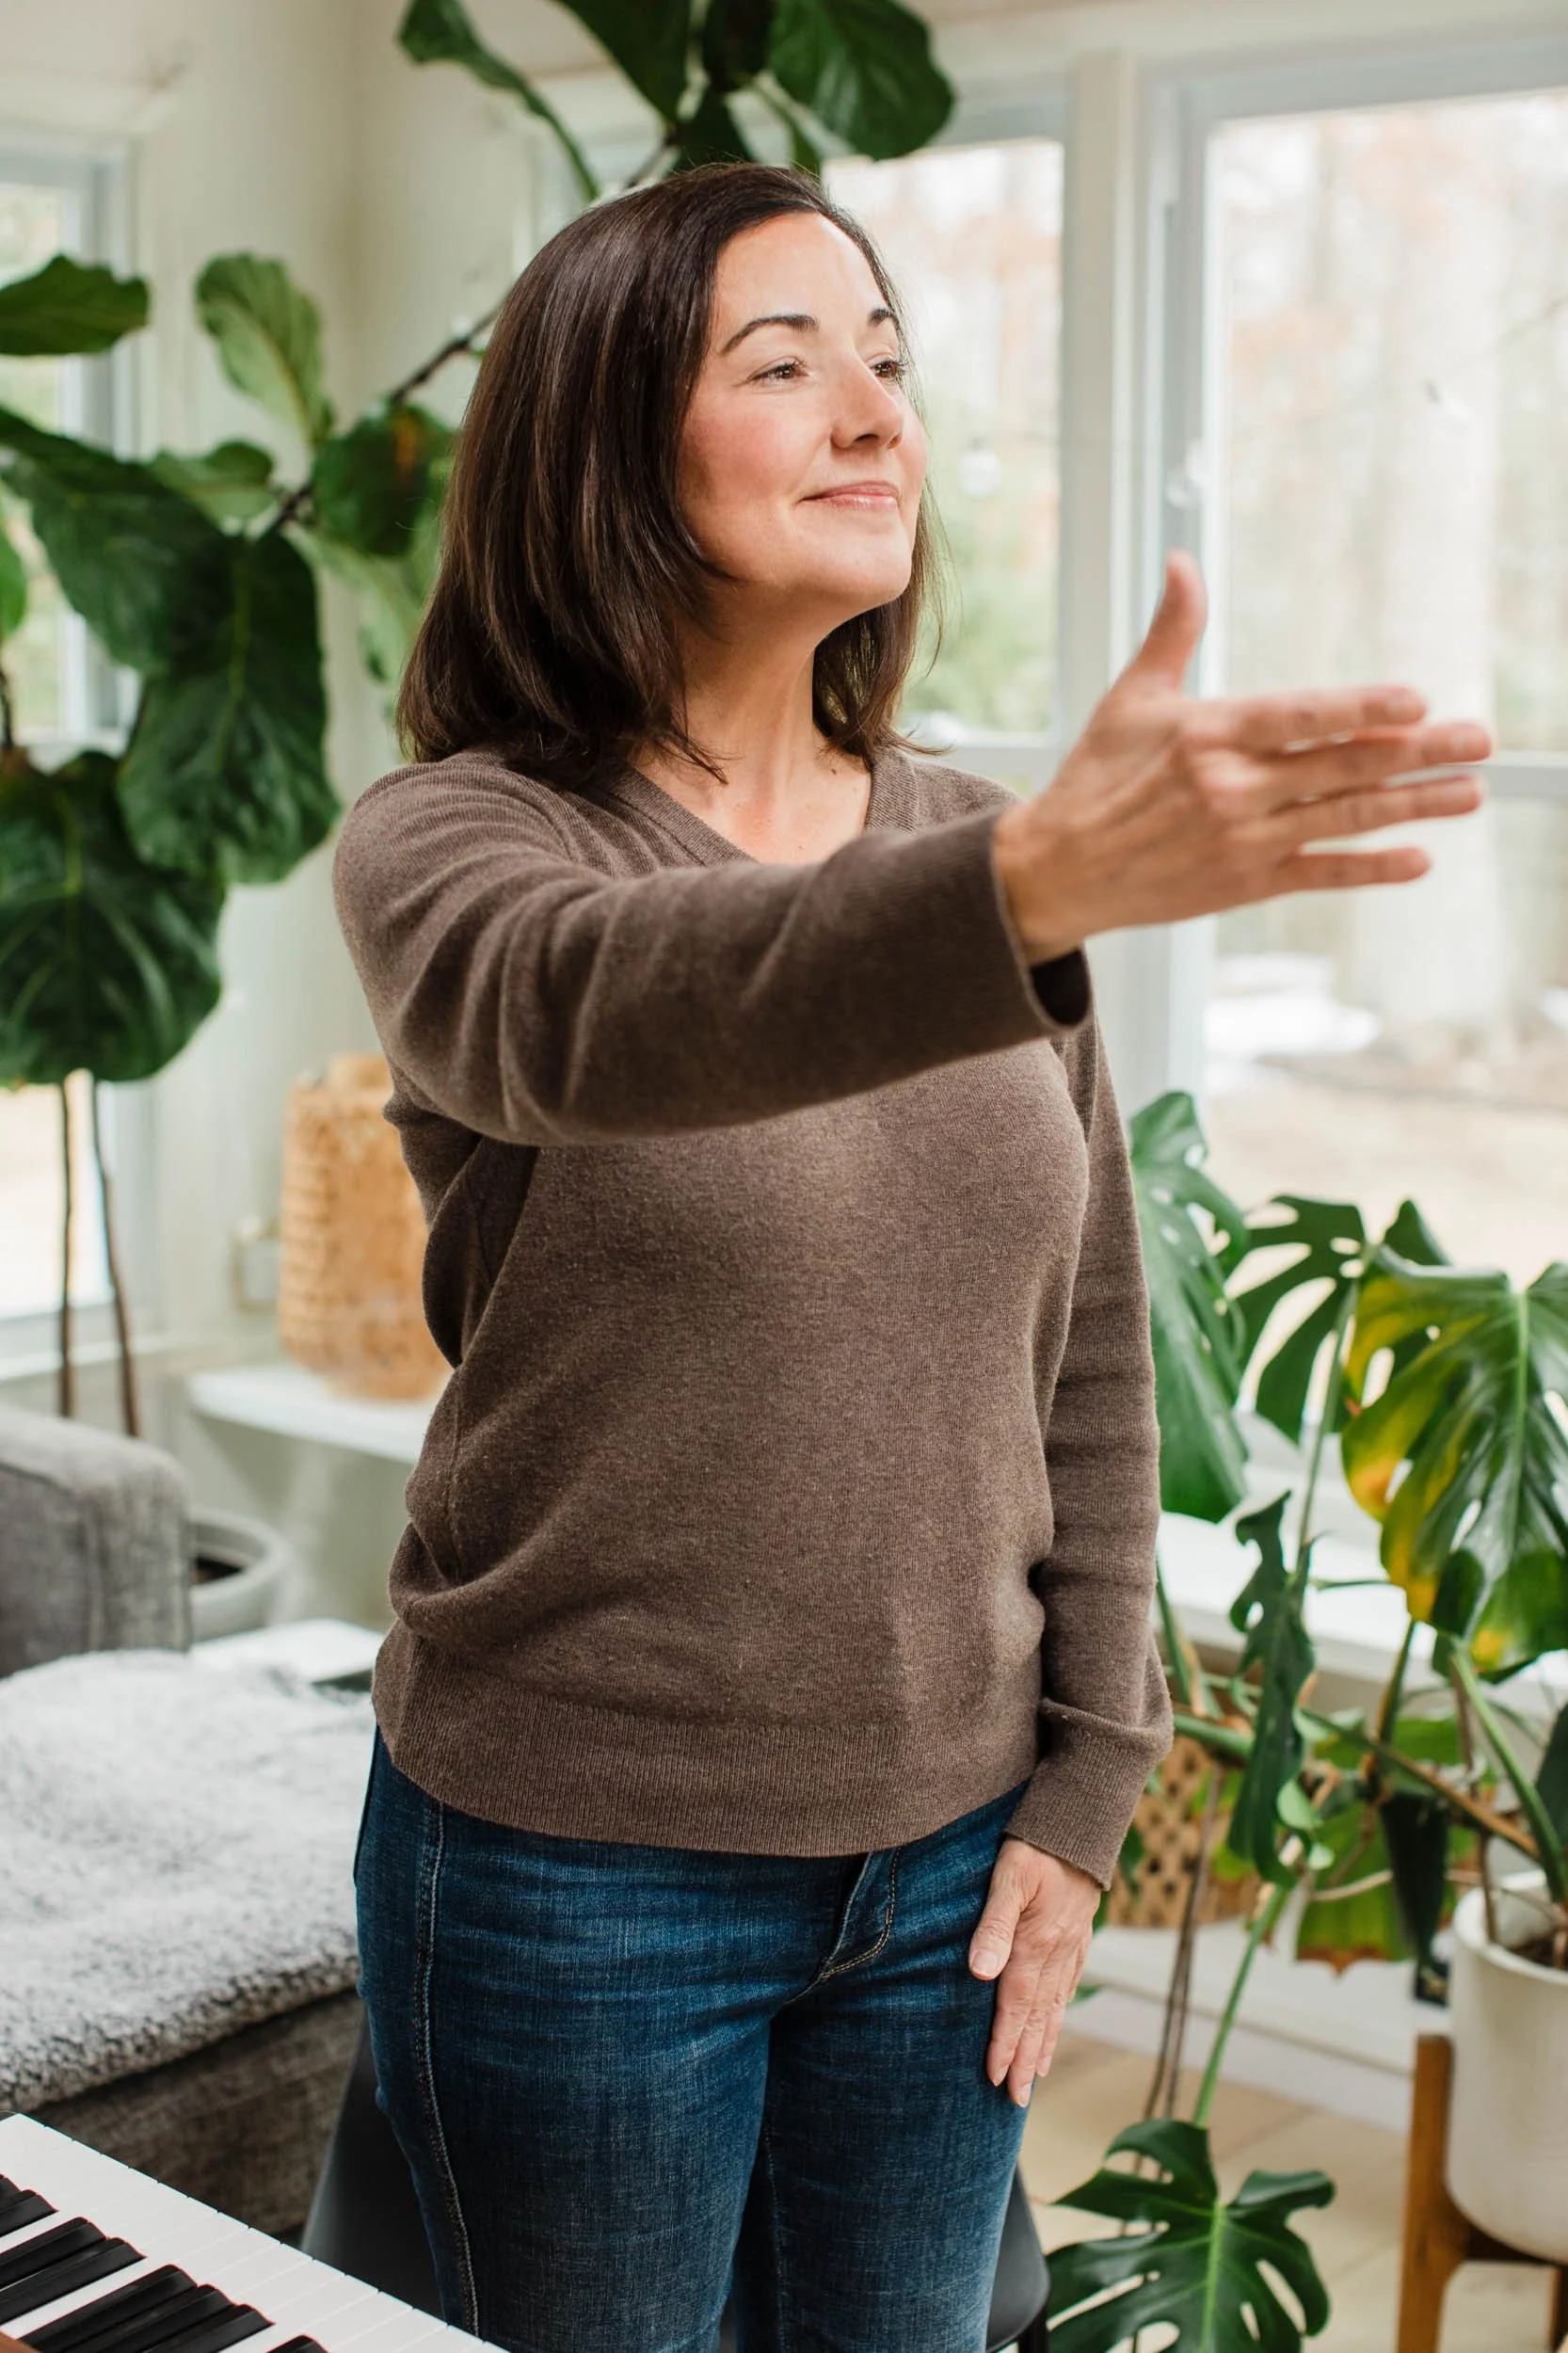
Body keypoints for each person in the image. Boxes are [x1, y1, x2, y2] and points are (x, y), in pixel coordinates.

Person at [331, 162, 1488, 2353]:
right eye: (783, 365)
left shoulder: (971, 845)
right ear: (602, 448)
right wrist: (1030, 888)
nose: (872, 411)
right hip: (573, 1866)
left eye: (888, 361)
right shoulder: (461, 843)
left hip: (952, 1861)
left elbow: (1083, 1347)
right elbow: (612, 1007)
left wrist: (1084, 1771)